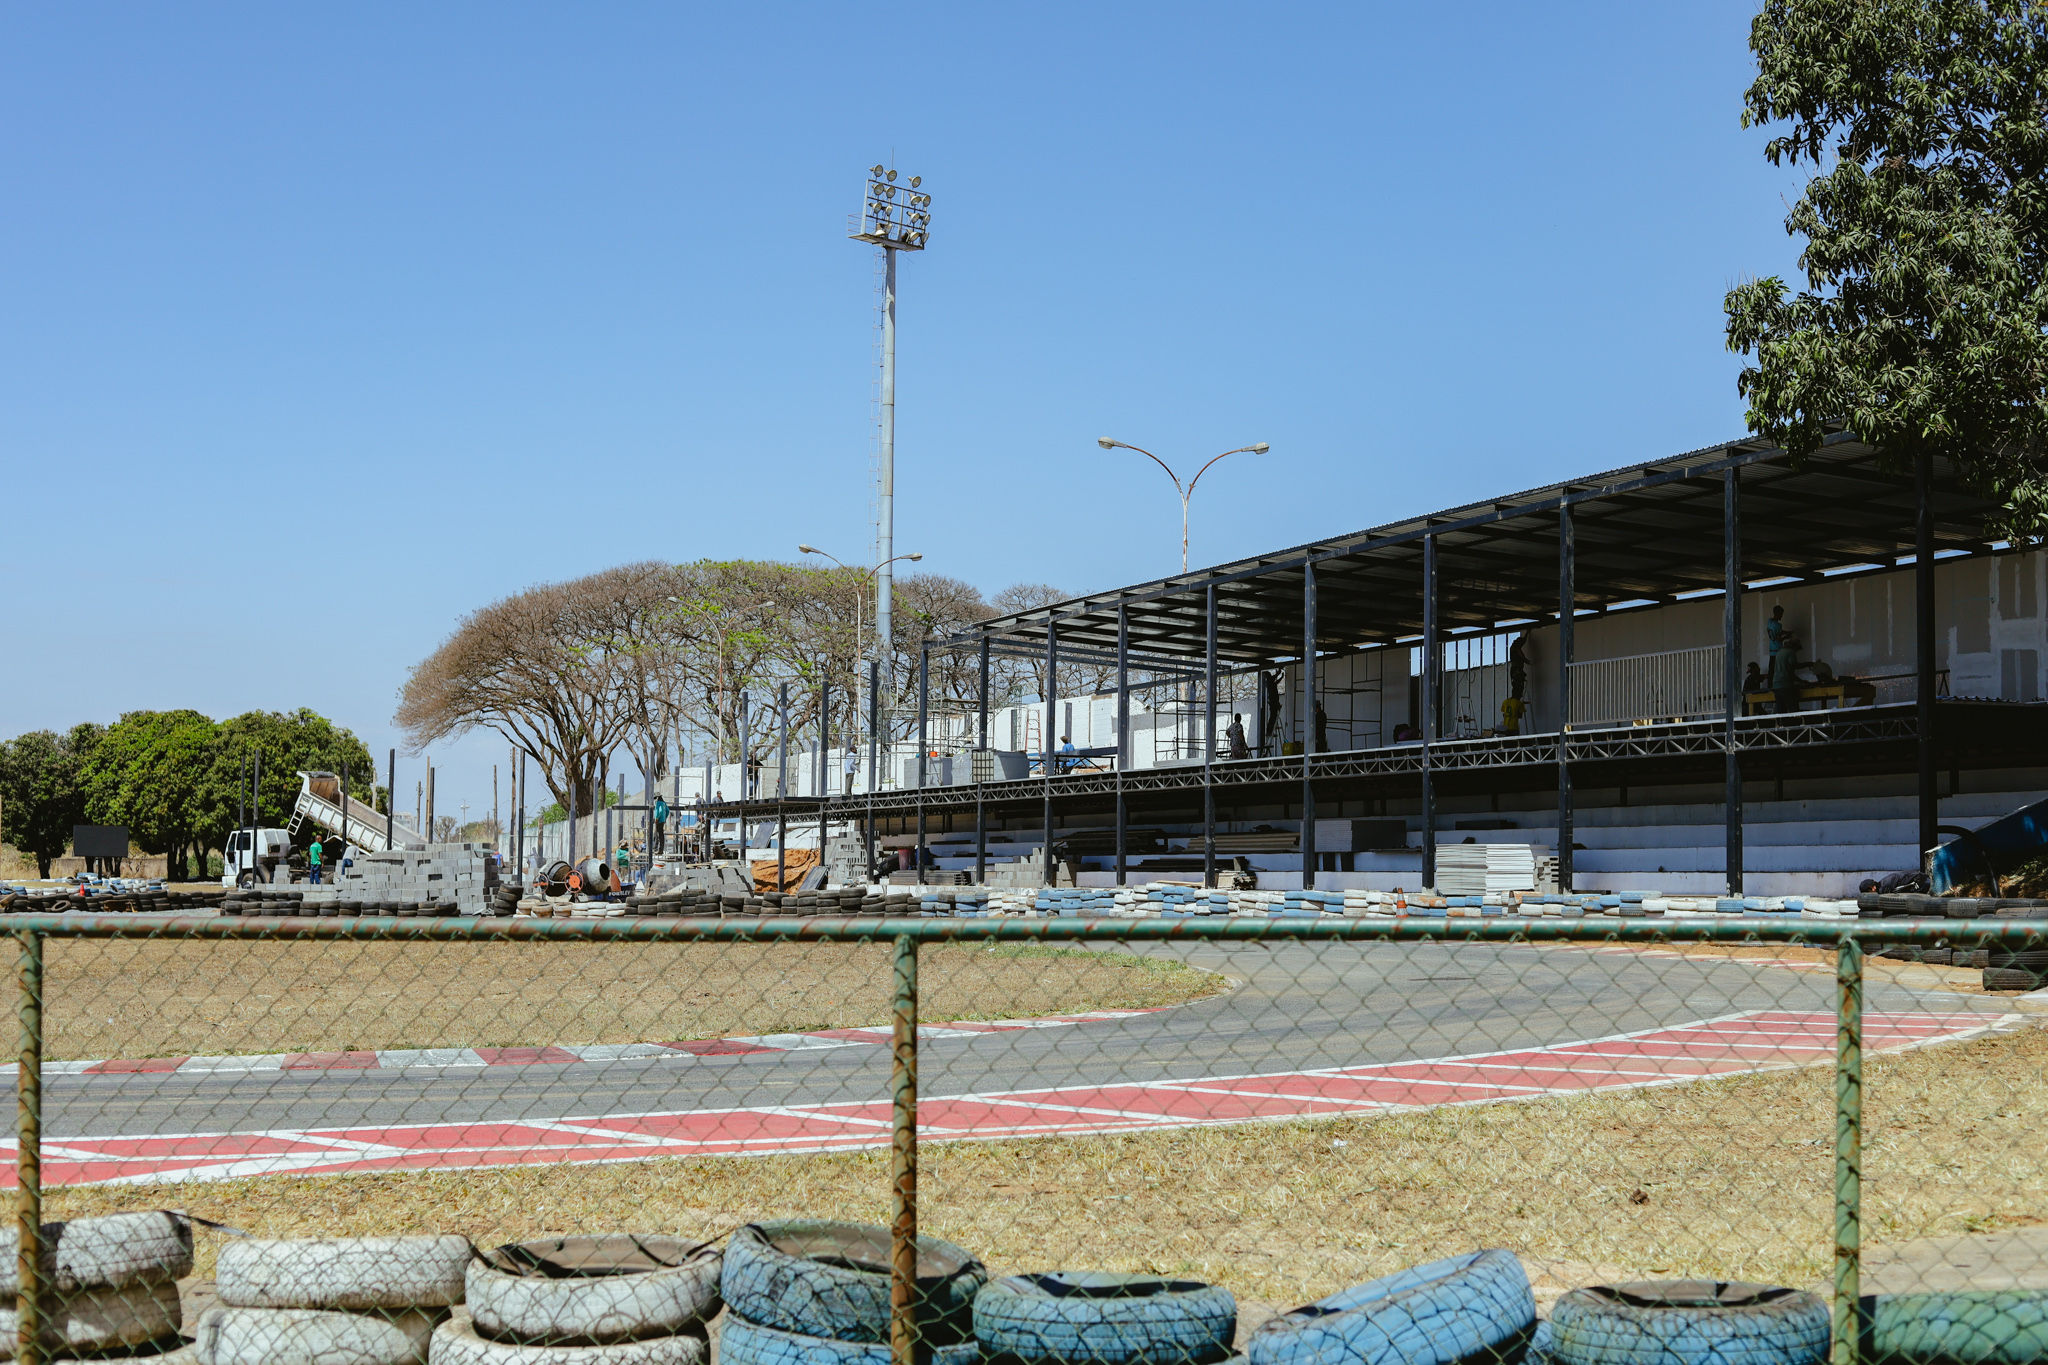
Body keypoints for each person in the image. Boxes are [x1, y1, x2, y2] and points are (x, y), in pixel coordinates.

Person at [1509, 632, 1532, 702]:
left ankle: (1515, 699)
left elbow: (1523, 641)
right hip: (1517, 669)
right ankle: (1517, 700)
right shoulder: (1517, 648)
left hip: (1514, 670)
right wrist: (1527, 661)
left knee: (1516, 685)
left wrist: (1527, 633)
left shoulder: (1512, 647)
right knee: (1519, 684)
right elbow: (1522, 656)